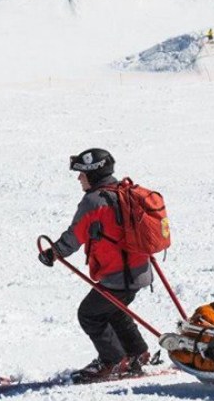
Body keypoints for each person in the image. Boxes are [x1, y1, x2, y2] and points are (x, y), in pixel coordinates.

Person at [38, 148, 152, 381]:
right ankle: (137, 353)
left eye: (82, 173)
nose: (79, 178)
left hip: (118, 276)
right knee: (114, 311)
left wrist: (53, 253)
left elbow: (75, 235)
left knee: (90, 314)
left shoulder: (94, 201)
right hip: (140, 273)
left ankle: (112, 361)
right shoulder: (126, 192)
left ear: (94, 173)